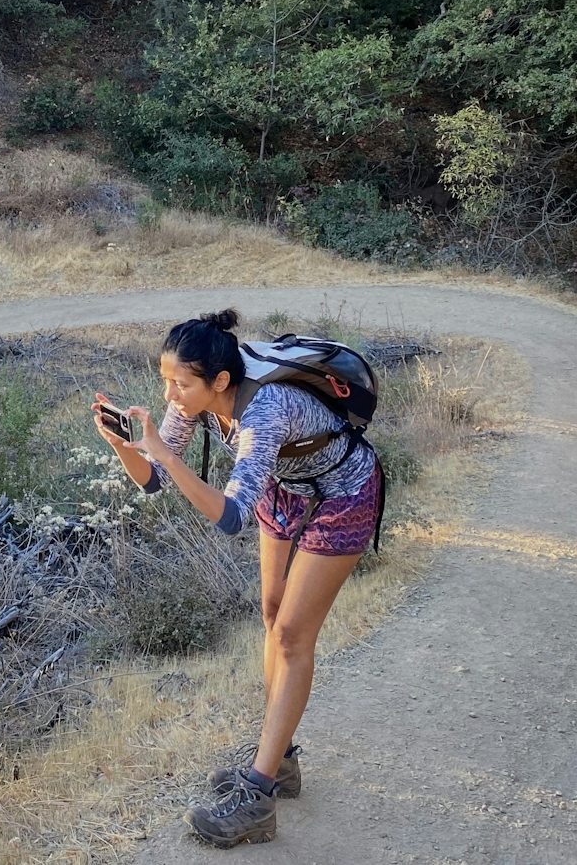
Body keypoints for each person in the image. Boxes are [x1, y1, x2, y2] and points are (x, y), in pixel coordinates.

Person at [92, 309, 383, 848]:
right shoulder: (194, 399)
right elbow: (154, 481)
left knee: (293, 635)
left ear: (219, 382)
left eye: (181, 384)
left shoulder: (264, 409)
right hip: (285, 486)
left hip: (344, 492)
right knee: (271, 614)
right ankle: (284, 760)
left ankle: (258, 795)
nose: (172, 394)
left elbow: (230, 516)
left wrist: (162, 453)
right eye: (166, 381)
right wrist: (126, 447)